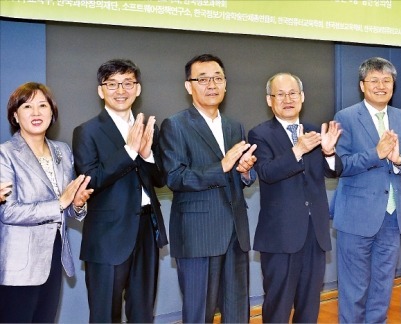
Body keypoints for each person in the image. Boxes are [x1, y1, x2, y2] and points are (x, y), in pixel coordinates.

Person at [159, 53, 257, 323]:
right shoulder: (175, 125)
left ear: (225, 84)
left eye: (217, 78)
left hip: (235, 233)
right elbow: (175, 177)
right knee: (199, 313)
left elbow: (239, 175)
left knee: (237, 311)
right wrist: (222, 165)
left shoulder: (233, 125)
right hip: (198, 235)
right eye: (203, 79)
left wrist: (246, 172)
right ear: (189, 86)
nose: (211, 84)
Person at [72, 59, 169, 322]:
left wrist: (147, 156)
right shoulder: (87, 132)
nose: (121, 90)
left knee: (143, 312)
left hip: (146, 231)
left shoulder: (149, 128)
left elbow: (160, 180)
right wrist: (128, 152)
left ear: (137, 89)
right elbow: (91, 180)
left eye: (128, 83)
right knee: (105, 315)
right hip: (108, 237)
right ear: (101, 90)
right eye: (112, 84)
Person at [332, 57, 401, 323]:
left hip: (393, 218)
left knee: (383, 288)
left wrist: (397, 160)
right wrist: (376, 154)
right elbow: (340, 164)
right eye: (374, 80)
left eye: (387, 80)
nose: (381, 86)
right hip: (356, 217)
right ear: (362, 85)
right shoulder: (346, 117)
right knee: (354, 290)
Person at [248, 72, 342, 322]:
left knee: (310, 306)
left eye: (292, 93)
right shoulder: (260, 134)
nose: (287, 99)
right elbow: (267, 173)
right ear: (270, 100)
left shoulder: (314, 130)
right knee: (277, 306)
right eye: (280, 94)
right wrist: (298, 150)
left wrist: (330, 152)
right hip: (280, 236)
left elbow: (333, 170)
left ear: (302, 97)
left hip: (315, 233)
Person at [0, 82, 93, 322]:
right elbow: (8, 212)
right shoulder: (5, 154)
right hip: (19, 263)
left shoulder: (62, 151)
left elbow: (68, 209)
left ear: (52, 113)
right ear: (15, 116)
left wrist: (78, 204)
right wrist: (61, 203)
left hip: (54, 255)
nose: (36, 112)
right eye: (27, 106)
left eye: (43, 105)